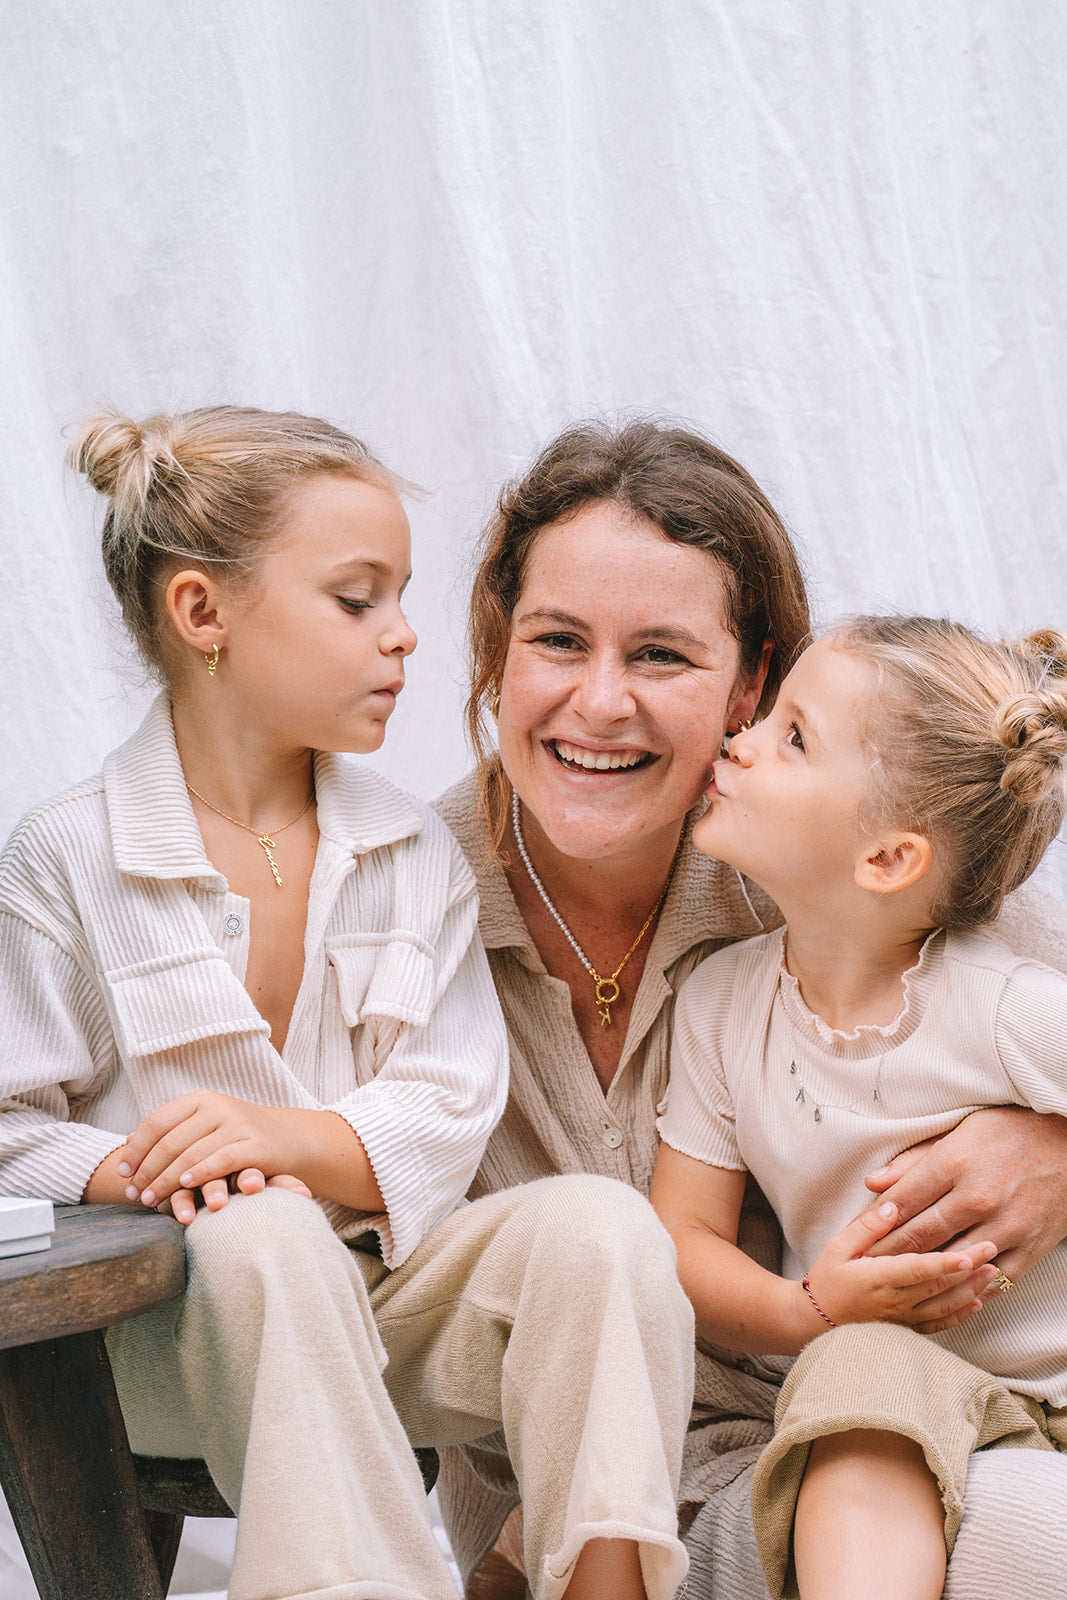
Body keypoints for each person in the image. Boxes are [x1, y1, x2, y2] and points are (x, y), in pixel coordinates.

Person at [0, 406, 696, 1600]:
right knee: (260, 1227)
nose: (405, 638)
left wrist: (288, 1140)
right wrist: (137, 1167)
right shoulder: (66, 857)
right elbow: (10, 1125)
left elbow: (450, 1097)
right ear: (203, 613)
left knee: (596, 1224)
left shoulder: (406, 846)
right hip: (163, 1337)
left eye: (402, 596)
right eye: (356, 599)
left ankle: (604, 1586)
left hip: (380, 1300)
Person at [433, 421, 1067, 1600]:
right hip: (582, 1500)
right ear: (496, 647)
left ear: (751, 679)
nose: (599, 701)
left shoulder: (845, 862)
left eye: (663, 655)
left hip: (880, 1431)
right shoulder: (402, 904)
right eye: (556, 640)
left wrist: (1051, 1147)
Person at [652, 616, 1067, 1600]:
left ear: (886, 859)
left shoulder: (1004, 1007)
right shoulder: (718, 1006)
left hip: (1049, 1397)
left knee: (856, 1367)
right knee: (852, 1362)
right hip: (892, 1392)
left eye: (791, 736)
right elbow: (680, 1233)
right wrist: (803, 1310)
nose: (739, 737)